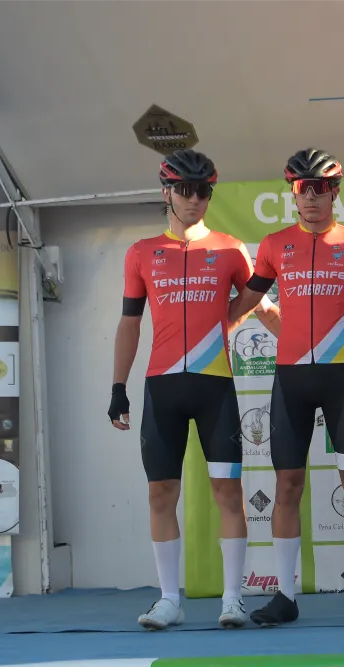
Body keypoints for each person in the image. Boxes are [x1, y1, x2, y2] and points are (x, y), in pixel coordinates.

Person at [225, 148, 344, 626]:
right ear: (293, 193)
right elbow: (247, 302)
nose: (312, 197)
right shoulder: (275, 245)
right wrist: (210, 332)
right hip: (291, 380)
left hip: (341, 377)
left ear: (334, 192)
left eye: (321, 188)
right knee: (287, 485)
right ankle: (285, 595)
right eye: (303, 188)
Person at [109, 148, 256, 630]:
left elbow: (260, 305)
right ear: (167, 193)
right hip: (163, 388)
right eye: (186, 190)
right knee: (160, 493)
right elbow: (130, 324)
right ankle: (169, 598)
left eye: (204, 191)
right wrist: (118, 387)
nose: (196, 199)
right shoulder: (141, 252)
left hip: (215, 387)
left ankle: (233, 599)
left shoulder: (231, 249)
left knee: (228, 492)